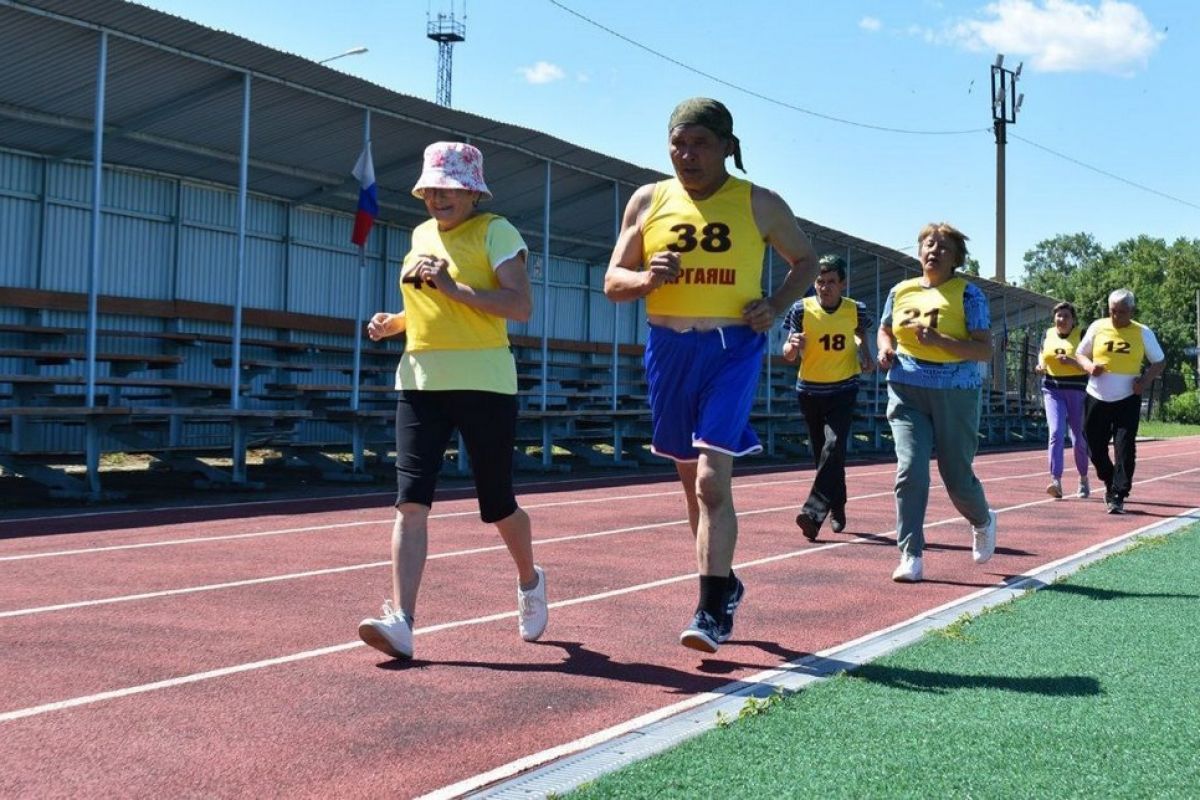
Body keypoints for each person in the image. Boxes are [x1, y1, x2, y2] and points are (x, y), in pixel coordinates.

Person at [604, 97, 818, 653]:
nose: (687, 154)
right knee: (691, 488)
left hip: (732, 347)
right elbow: (612, 281)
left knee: (709, 481)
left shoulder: (758, 203)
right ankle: (724, 584)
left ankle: (709, 610)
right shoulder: (648, 201)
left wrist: (775, 303)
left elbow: (807, 262)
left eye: (700, 143)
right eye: (679, 142)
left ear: (727, 146)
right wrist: (647, 279)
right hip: (668, 348)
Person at [357, 141, 548, 659]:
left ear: (472, 192)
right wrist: (392, 322)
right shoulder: (419, 235)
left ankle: (530, 582)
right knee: (410, 503)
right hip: (419, 381)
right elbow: (424, 307)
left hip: (484, 382)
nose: (439, 197)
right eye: (432, 188)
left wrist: (455, 288)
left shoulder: (496, 232)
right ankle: (402, 620)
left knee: (497, 503)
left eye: (451, 188)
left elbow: (520, 307)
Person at [876, 222, 997, 583]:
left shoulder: (969, 295)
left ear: (956, 258)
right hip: (906, 387)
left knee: (956, 478)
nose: (934, 251)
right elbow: (885, 328)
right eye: (928, 244)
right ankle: (910, 553)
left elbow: (984, 349)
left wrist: (939, 340)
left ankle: (982, 519)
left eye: (943, 247)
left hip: (955, 391)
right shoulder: (901, 291)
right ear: (918, 251)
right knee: (911, 470)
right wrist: (886, 349)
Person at [782, 253, 875, 540]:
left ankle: (812, 514)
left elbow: (861, 334)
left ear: (843, 284)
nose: (825, 287)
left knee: (833, 448)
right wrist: (792, 346)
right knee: (823, 455)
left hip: (843, 389)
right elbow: (787, 353)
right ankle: (838, 504)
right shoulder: (801, 309)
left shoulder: (855, 310)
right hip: (809, 391)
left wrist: (865, 353)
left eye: (831, 282)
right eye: (820, 282)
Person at [1074, 288, 1166, 514]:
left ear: (1132, 311)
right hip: (1096, 396)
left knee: (1124, 446)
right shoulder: (1098, 326)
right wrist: (1088, 366)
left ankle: (1118, 493)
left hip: (1127, 399)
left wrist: (1143, 382)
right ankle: (1109, 478)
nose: (1117, 317)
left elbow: (1159, 362)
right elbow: (1080, 354)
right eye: (1113, 311)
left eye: (1122, 312)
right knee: (1094, 447)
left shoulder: (1142, 332)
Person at [1034, 301, 1090, 499]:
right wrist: (1040, 365)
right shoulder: (1048, 334)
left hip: (1076, 390)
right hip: (1052, 389)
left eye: (1066, 316)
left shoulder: (1082, 335)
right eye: (1058, 316)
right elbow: (1042, 353)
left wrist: (1072, 362)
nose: (1062, 319)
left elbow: (1090, 365)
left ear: (1073, 319)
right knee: (1056, 433)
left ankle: (1083, 478)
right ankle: (1055, 481)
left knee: (1078, 438)